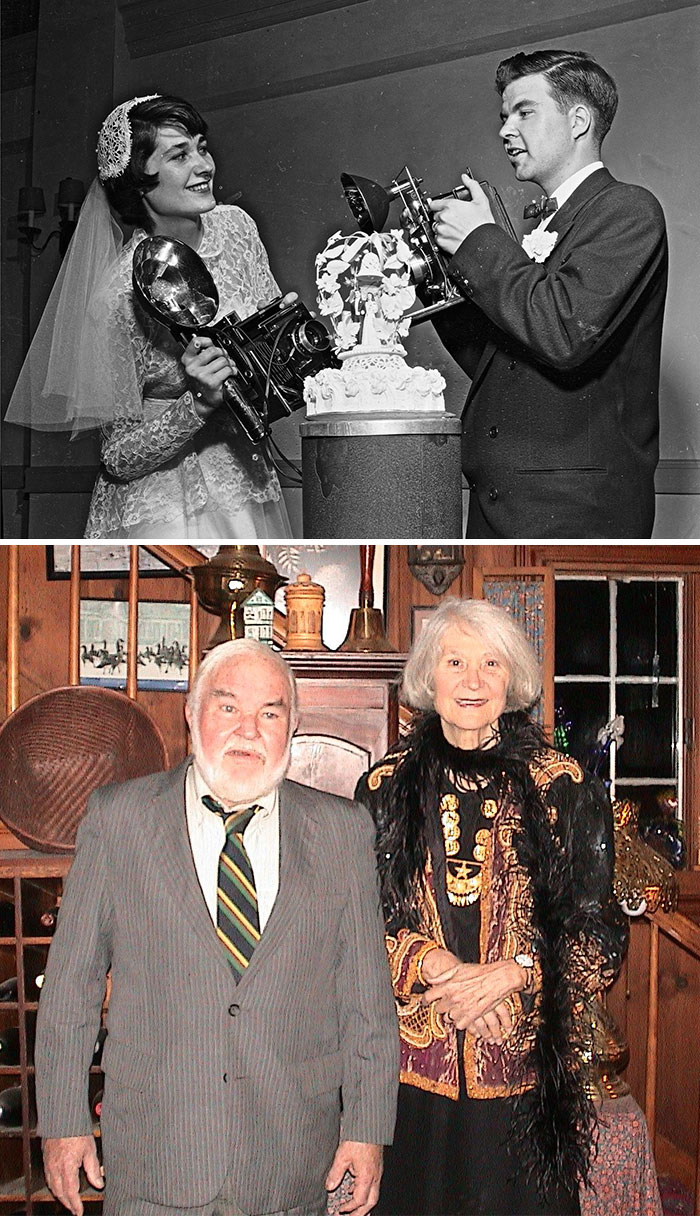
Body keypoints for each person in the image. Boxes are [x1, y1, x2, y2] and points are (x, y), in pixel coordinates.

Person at [35, 639, 398, 1216]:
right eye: (228, 708)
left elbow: (367, 1000)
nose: (249, 731)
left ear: (292, 727)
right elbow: (70, 987)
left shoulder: (342, 832)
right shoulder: (118, 819)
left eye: (270, 713)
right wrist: (61, 1120)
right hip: (156, 1162)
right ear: (192, 714)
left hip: (292, 1165)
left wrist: (368, 1129)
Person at [355, 598, 629, 1216]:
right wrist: (446, 976)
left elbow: (601, 930)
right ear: (429, 676)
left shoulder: (565, 786)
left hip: (525, 1078)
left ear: (514, 681)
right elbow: (361, 921)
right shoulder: (383, 786)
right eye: (455, 662)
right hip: (409, 1081)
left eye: (490, 664)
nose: (472, 681)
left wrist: (510, 976)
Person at [5, 94, 292, 538]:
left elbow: (272, 347)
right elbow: (117, 456)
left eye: (202, 146)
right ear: (139, 183)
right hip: (168, 506)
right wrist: (197, 404)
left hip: (247, 478)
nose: (204, 165)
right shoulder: (118, 296)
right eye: (180, 154)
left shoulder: (238, 227)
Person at [428, 49, 668, 539]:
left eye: (524, 111)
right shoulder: (546, 225)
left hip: (574, 511)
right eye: (503, 116)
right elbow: (504, 363)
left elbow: (563, 333)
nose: (504, 130)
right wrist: (438, 274)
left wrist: (479, 241)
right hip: (500, 507)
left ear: (578, 120)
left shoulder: (628, 210)